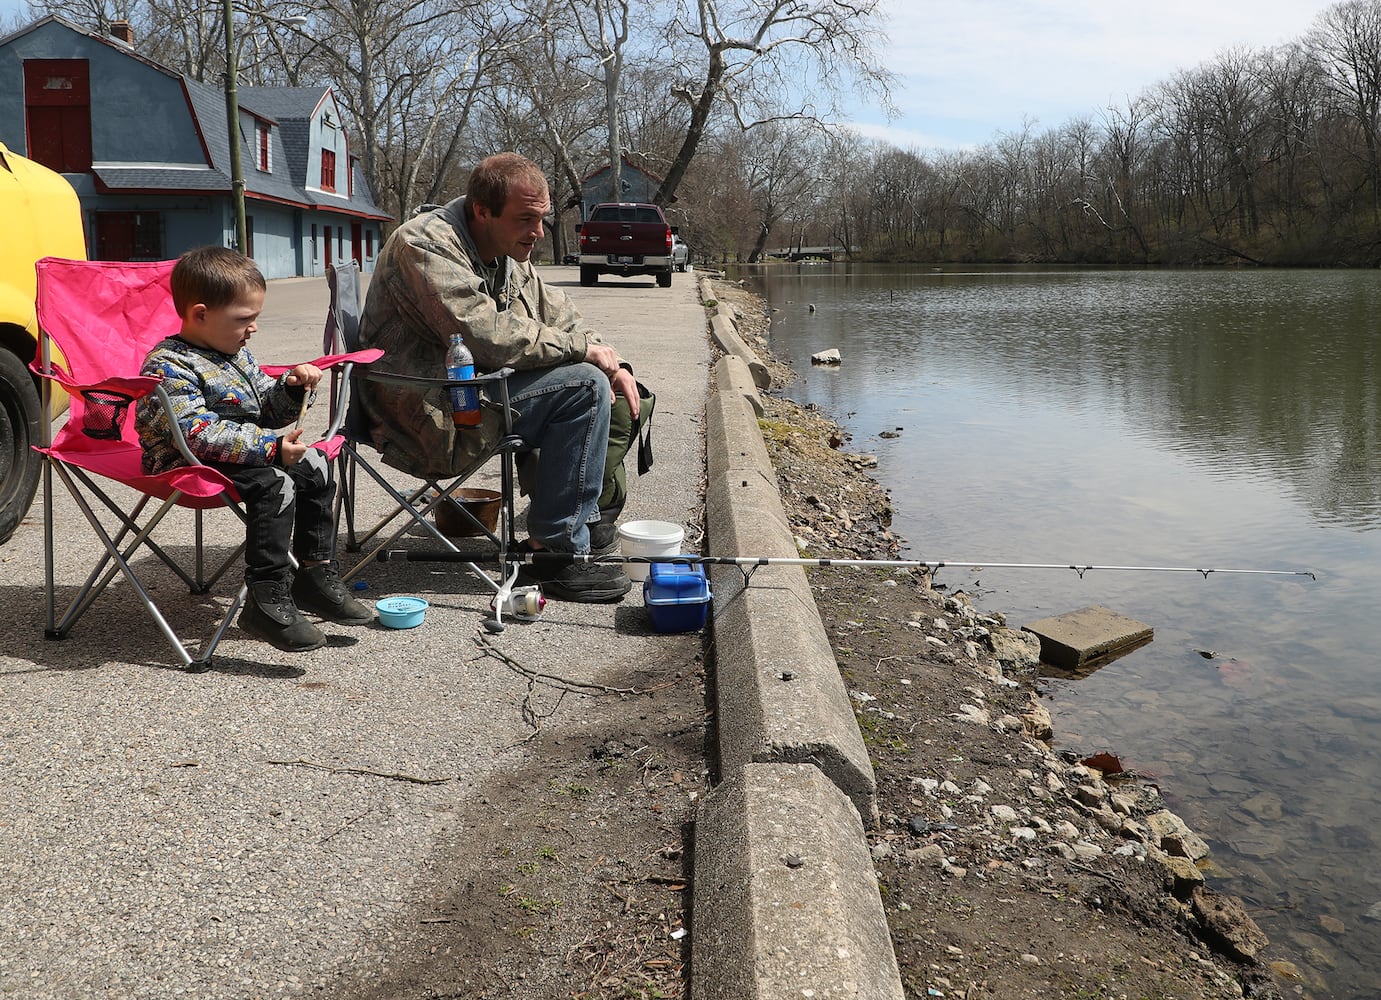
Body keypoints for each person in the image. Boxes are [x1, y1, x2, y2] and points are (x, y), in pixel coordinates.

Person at [357, 152, 639, 602]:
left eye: (543, 218)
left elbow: (559, 315)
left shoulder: (507, 250)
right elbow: (485, 336)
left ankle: (587, 516)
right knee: (583, 387)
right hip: (423, 412)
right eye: (527, 219)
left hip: (468, 391)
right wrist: (585, 354)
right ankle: (554, 552)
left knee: (617, 386)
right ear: (481, 211)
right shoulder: (425, 244)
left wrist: (614, 361)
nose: (539, 233)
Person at [136, 246, 372, 652]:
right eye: (245, 319)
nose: (254, 328)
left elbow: (266, 408)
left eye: (256, 318)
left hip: (239, 452)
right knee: (275, 481)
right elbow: (195, 433)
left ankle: (315, 575)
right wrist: (270, 448)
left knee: (316, 464)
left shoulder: (235, 354)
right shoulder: (168, 366)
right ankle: (266, 596)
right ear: (200, 314)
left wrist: (290, 389)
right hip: (185, 461)